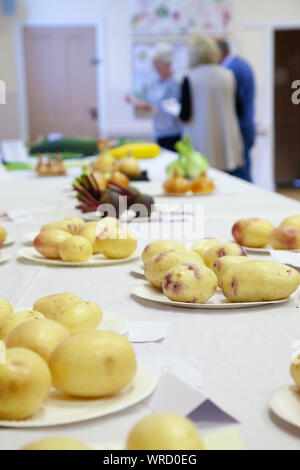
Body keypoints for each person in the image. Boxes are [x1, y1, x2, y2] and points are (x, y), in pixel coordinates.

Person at [179, 35, 243, 173]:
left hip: (200, 139)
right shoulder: (229, 75)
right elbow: (239, 110)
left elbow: (185, 115)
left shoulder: (189, 77)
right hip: (225, 140)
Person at [126, 43, 182, 151]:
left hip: (174, 133)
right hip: (159, 132)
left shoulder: (176, 82)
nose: (155, 66)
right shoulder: (156, 83)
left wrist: (156, 108)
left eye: (157, 63)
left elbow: (176, 109)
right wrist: (135, 102)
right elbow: (150, 104)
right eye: (154, 63)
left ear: (167, 63)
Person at [217, 39, 256, 182]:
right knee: (243, 168)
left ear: (220, 53)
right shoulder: (242, 64)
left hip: (239, 126)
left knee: (241, 173)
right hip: (246, 124)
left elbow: (235, 103)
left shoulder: (231, 69)